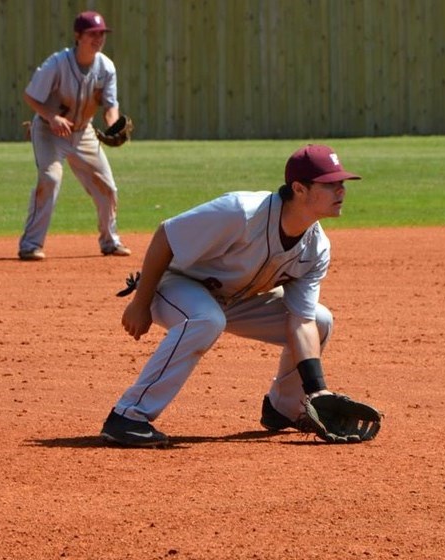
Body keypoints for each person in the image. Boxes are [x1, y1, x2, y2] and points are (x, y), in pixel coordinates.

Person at [101, 144, 365, 447]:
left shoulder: (316, 247)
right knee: (206, 319)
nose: (341, 190)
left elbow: (301, 321)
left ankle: (285, 407)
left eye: (342, 183)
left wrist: (317, 389)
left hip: (235, 300)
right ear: (299, 189)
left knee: (319, 320)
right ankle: (128, 416)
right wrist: (141, 302)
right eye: (330, 184)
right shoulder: (241, 212)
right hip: (174, 284)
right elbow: (166, 236)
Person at [18, 10, 130, 261]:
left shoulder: (106, 67)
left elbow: (110, 106)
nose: (98, 38)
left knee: (108, 187)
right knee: (50, 178)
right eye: (93, 34)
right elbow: (30, 96)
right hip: (50, 131)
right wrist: (52, 117)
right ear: (78, 36)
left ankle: (110, 241)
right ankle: (30, 245)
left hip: (84, 132)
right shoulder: (57, 63)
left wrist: (113, 125)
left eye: (102, 34)